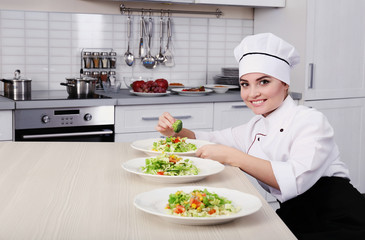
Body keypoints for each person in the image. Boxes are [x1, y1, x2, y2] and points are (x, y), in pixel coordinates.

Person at [155, 33, 365, 240]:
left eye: (263, 82)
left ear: (285, 84)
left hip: (338, 217)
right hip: (293, 214)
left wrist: (232, 156)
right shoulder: (255, 126)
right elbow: (209, 138)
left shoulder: (310, 120)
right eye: (245, 84)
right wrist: (176, 131)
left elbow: (295, 180)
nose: (252, 93)